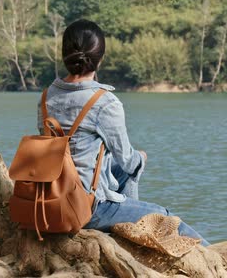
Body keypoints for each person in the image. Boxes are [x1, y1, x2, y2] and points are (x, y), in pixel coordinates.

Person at [37, 19, 209, 246]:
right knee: (164, 217)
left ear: (64, 54)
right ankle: (216, 260)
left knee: (122, 173)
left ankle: (128, 234)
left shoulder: (47, 96)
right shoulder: (104, 102)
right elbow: (128, 161)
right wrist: (141, 158)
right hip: (86, 206)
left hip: (49, 198)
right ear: (100, 58)